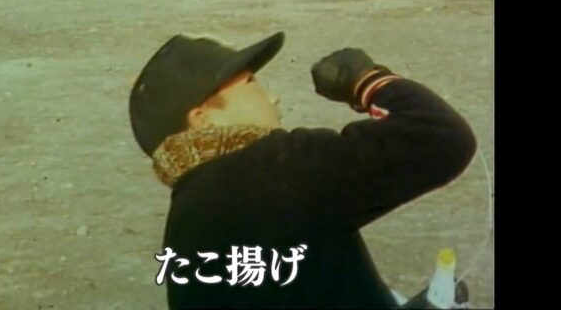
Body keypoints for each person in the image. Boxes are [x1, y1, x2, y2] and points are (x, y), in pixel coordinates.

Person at [129, 32, 476, 309]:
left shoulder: (187, 214)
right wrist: (365, 81)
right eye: (251, 83)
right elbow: (441, 137)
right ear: (203, 120)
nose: (273, 98)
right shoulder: (270, 166)